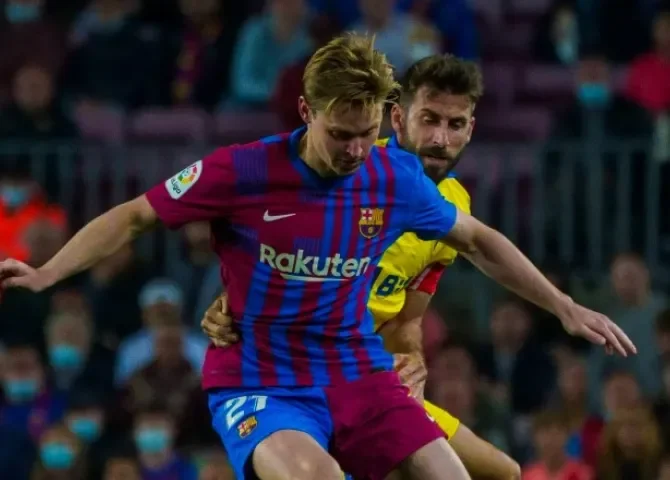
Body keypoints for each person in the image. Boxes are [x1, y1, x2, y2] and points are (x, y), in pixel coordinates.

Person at [0, 34, 635, 480]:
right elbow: (135, 215)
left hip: (356, 371)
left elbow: (480, 241)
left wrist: (563, 306)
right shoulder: (244, 171)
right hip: (262, 377)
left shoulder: (396, 179)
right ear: (307, 111)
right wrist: (51, 270)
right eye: (340, 134)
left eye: (366, 134)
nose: (356, 150)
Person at [202, 54, 522, 479]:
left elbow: (407, 319)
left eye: (454, 124)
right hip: (305, 375)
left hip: (373, 381)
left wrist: (412, 357)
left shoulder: (454, 207)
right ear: (398, 118)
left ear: (470, 129)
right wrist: (229, 302)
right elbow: (276, 255)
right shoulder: (354, 170)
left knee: (503, 472)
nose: (440, 138)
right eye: (428, 120)